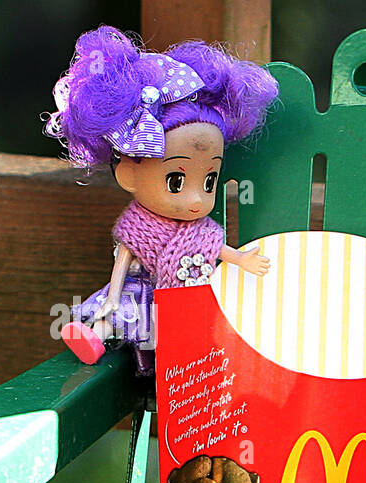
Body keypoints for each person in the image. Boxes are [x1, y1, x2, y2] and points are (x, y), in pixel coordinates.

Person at [45, 26, 279, 373]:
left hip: (183, 302)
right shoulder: (136, 229)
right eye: (176, 180)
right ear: (129, 174)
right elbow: (122, 266)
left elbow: (214, 249)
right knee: (122, 313)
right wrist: (111, 296)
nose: (196, 199)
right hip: (140, 292)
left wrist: (243, 260)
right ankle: (96, 338)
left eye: (209, 180)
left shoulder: (200, 232)